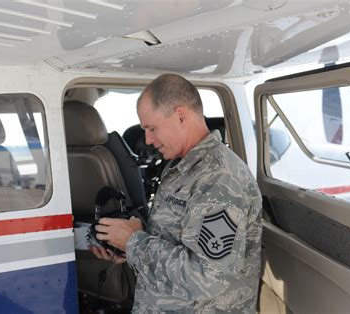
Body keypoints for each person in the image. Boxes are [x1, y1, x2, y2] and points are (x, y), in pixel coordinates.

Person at [90, 73, 262, 312]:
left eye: (152, 128)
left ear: (181, 116)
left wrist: (133, 243)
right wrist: (130, 251)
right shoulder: (181, 167)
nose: (148, 139)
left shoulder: (220, 178)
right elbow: (173, 242)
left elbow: (205, 276)